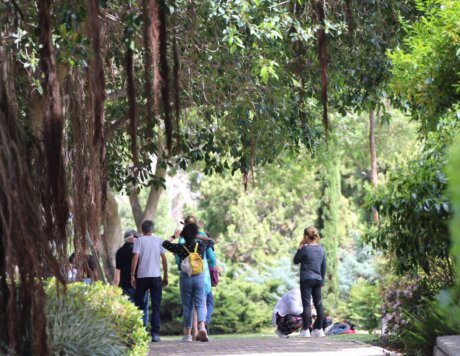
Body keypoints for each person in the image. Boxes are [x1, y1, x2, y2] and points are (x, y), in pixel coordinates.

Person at [162, 223, 211, 342]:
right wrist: (196, 235)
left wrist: (174, 236)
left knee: (187, 306)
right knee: (200, 304)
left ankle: (187, 334)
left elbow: (164, 244)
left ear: (184, 234)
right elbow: (210, 241)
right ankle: (202, 327)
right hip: (199, 276)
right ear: (196, 234)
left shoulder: (180, 247)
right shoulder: (200, 245)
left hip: (186, 277)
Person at [130, 220, 168, 343]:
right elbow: (164, 259)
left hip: (142, 277)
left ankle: (139, 332)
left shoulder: (139, 240)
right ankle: (155, 334)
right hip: (156, 276)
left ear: (142, 229)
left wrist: (132, 275)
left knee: (139, 305)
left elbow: (135, 258)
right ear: (152, 229)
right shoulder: (159, 240)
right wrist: (166, 275)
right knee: (156, 306)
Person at [293, 226, 327, 338]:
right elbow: (324, 267)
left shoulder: (305, 249)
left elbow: (295, 261)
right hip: (318, 280)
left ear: (306, 236)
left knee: (306, 305)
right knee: (318, 304)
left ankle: (306, 330)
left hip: (306, 280)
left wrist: (300, 247)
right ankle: (319, 329)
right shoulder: (321, 249)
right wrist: (321, 280)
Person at [112, 229, 149, 326]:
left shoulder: (119, 252)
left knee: (130, 311)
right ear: (132, 239)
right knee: (143, 310)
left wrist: (114, 287)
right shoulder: (140, 250)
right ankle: (142, 333)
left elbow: (117, 273)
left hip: (126, 286)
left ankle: (132, 333)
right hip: (141, 285)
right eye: (137, 237)